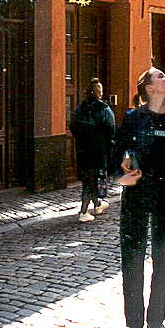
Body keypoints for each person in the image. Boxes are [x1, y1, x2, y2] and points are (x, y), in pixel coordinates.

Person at [112, 68, 165, 328]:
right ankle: (134, 325)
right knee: (132, 262)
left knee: (163, 262)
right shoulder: (133, 118)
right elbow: (117, 151)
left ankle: (156, 322)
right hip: (135, 198)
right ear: (148, 88)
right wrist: (120, 172)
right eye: (160, 76)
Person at [70, 78, 116, 222]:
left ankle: (97, 205)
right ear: (99, 93)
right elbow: (111, 129)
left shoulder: (80, 107)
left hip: (83, 148)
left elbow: (73, 126)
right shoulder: (103, 109)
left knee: (88, 178)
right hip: (98, 148)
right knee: (93, 178)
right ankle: (84, 211)